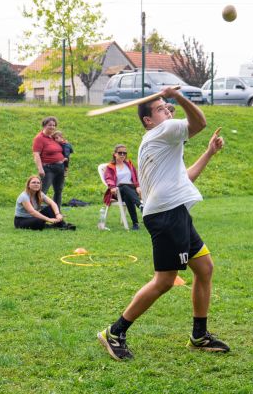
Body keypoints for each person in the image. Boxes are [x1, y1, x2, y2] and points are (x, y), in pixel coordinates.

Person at [97, 87, 228, 361]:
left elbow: (185, 178)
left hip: (175, 213)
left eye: (168, 107)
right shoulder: (162, 132)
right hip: (167, 217)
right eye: (160, 108)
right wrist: (178, 97)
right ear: (148, 120)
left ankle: (199, 336)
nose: (168, 110)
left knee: (204, 268)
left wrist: (208, 154)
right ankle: (115, 332)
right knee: (165, 281)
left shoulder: (163, 143)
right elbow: (200, 123)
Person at [103, 144, 143, 230]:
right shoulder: (110, 167)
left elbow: (135, 177)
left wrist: (138, 186)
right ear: (115, 154)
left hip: (131, 191)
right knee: (124, 186)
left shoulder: (129, 164)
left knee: (127, 195)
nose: (122, 155)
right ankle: (140, 205)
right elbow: (108, 178)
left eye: (124, 153)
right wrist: (112, 186)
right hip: (117, 191)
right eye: (120, 153)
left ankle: (135, 224)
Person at [32, 117, 65, 209]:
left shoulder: (54, 137)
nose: (52, 127)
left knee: (58, 190)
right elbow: (36, 154)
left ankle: (57, 213)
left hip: (60, 168)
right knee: (42, 191)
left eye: (54, 125)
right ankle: (34, 211)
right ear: (44, 125)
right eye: (50, 125)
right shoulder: (39, 138)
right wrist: (40, 168)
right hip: (48, 168)